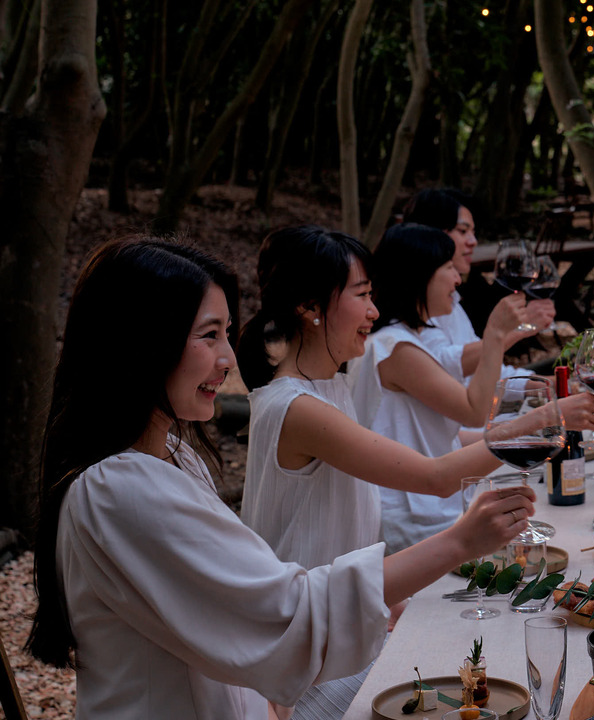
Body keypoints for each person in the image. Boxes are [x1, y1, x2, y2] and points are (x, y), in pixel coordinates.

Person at [25, 238, 535, 719]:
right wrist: (460, 541)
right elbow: (284, 610)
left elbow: (235, 609)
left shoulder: (171, 457)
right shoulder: (121, 489)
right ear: (141, 344)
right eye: (208, 335)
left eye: (226, 333)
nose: (227, 360)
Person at [235, 225, 569, 719]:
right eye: (363, 295)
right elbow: (434, 477)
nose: (374, 310)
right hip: (307, 661)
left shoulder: (331, 388)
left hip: (342, 627)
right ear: (310, 308)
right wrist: (543, 420)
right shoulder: (298, 406)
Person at [350, 223, 594, 552]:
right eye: (447, 268)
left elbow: (444, 435)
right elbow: (475, 411)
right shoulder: (393, 348)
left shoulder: (407, 341)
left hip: (431, 509)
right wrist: (495, 335)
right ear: (419, 275)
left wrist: (533, 433)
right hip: (412, 519)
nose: (458, 279)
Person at [402, 188, 553, 381]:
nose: (473, 241)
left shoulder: (453, 302)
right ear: (431, 234)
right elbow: (443, 367)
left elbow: (483, 372)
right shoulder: (409, 308)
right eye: (463, 231)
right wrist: (519, 328)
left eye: (473, 232)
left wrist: (550, 384)